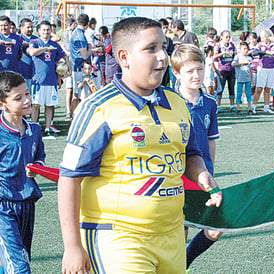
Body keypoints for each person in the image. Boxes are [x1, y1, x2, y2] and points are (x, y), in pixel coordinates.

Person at [58, 17, 222, 274]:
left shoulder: (178, 103)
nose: (163, 57)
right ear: (124, 57)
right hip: (118, 236)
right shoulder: (98, 108)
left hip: (173, 234)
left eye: (164, 47)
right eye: (151, 48)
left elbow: (191, 154)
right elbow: (69, 177)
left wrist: (201, 173)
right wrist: (72, 246)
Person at [170, 44, 222, 271]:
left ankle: (184, 262)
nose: (196, 75)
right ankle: (175, 266)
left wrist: (210, 171)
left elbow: (211, 139)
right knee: (179, 230)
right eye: (190, 71)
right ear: (177, 73)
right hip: (176, 176)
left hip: (203, 176)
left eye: (200, 70)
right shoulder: (169, 101)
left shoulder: (210, 103)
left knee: (216, 227)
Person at [0, 71, 46, 274]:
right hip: (3, 207)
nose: (27, 100)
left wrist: (37, 166)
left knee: (16, 259)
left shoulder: (34, 129)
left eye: (27, 93)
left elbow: (39, 156)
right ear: (2, 104)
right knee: (19, 267)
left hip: (27, 204)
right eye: (18, 98)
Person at [28, 20, 72, 137]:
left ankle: (48, 128)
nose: (46, 32)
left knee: (49, 106)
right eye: (43, 30)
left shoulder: (55, 44)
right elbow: (32, 52)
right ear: (39, 31)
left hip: (51, 80)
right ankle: (34, 126)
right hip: (38, 80)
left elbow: (64, 57)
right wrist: (45, 49)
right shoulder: (35, 42)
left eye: (48, 30)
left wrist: (68, 69)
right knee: (36, 105)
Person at [251, 29, 274, 115]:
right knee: (259, 89)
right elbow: (254, 53)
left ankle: (266, 107)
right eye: (261, 37)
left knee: (268, 89)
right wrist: (265, 52)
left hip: (272, 68)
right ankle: (253, 106)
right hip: (262, 68)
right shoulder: (260, 45)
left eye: (263, 37)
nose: (262, 39)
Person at [70, 13, 91, 112]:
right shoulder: (80, 36)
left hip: (78, 68)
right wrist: (90, 47)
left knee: (78, 94)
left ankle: (73, 115)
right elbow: (85, 55)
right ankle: (74, 116)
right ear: (88, 23)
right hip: (79, 69)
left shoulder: (76, 33)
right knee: (78, 95)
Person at [214, 30, 237, 112]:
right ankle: (218, 105)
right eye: (226, 37)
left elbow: (235, 54)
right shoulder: (218, 46)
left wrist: (234, 54)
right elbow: (215, 56)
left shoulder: (232, 45)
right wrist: (223, 53)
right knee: (220, 88)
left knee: (231, 87)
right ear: (222, 37)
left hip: (231, 69)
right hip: (222, 69)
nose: (228, 38)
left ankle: (232, 105)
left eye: (229, 36)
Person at [62, 17, 77, 121]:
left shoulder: (77, 32)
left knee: (75, 90)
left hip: (76, 64)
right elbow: (67, 48)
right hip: (70, 63)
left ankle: (74, 111)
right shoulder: (67, 33)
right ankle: (68, 111)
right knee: (69, 89)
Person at [232, 41, 253, 113]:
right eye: (244, 48)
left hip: (248, 79)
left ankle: (250, 108)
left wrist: (252, 80)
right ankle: (238, 108)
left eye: (246, 48)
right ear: (240, 49)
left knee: (248, 93)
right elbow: (233, 64)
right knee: (239, 93)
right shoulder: (237, 57)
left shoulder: (249, 58)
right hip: (240, 79)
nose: (246, 50)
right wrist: (240, 63)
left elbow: (251, 70)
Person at [18, 18, 37, 93]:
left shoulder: (36, 39)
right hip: (23, 73)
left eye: (31, 27)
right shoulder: (17, 39)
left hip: (35, 74)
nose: (30, 29)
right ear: (21, 28)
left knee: (35, 100)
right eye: (28, 27)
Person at [159, 18, 174, 87]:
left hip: (166, 67)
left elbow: (172, 54)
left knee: (165, 86)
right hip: (156, 66)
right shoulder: (154, 40)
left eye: (166, 28)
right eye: (163, 28)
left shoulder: (169, 40)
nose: (165, 30)